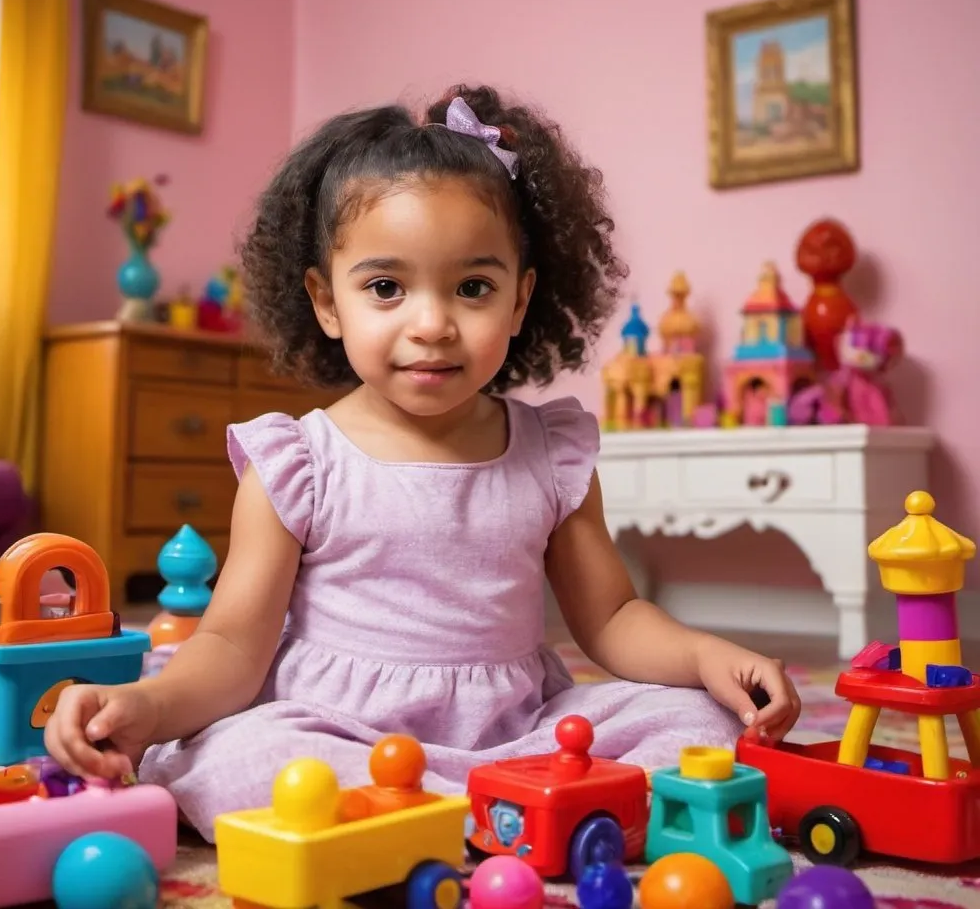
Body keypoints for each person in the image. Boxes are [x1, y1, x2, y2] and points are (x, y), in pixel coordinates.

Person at [44, 84, 801, 841]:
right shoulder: (298, 462)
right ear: (327, 301)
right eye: (386, 287)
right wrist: (147, 708)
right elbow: (233, 647)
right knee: (247, 754)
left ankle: (453, 824)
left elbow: (610, 618)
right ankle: (510, 828)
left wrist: (704, 654)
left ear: (519, 300)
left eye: (473, 287)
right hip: (339, 737)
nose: (433, 324)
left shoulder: (551, 456)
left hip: (520, 740)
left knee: (697, 721)